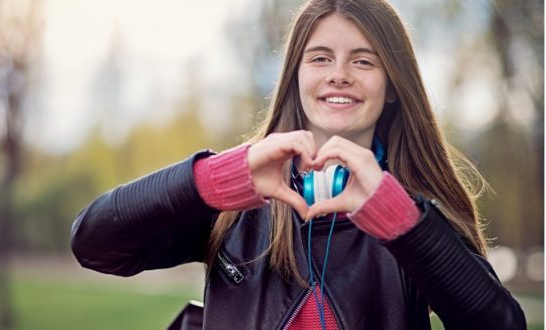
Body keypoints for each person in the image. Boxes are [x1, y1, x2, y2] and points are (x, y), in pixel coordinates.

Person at [70, 0, 526, 329]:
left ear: (392, 86)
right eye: (320, 58)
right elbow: (94, 244)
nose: (338, 74)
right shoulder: (234, 201)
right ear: (296, 78)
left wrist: (400, 219)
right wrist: (216, 180)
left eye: (363, 60)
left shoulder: (414, 216)